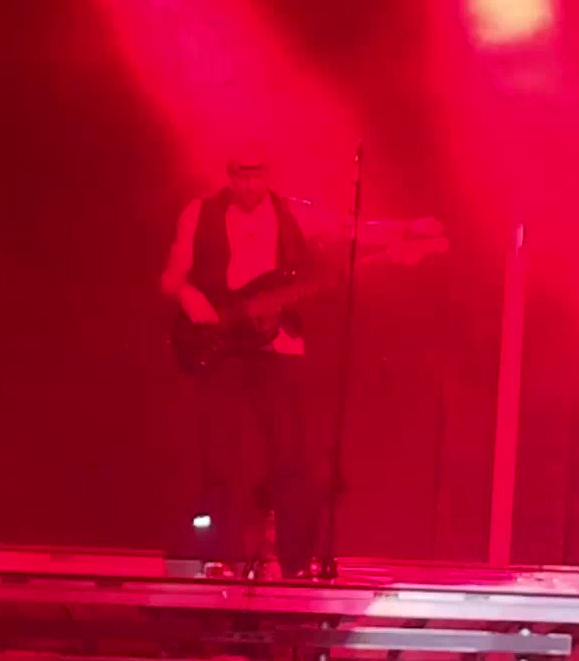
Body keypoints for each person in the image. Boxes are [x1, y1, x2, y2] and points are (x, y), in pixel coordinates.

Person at [160, 146, 441, 578]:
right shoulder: (200, 213)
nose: (249, 184)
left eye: (256, 175)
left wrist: (405, 231)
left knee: (291, 457)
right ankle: (217, 557)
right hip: (218, 342)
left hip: (277, 346)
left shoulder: (294, 214)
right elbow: (171, 278)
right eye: (240, 175)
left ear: (268, 173)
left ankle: (294, 562)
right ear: (229, 173)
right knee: (217, 458)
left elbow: (353, 231)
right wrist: (189, 295)